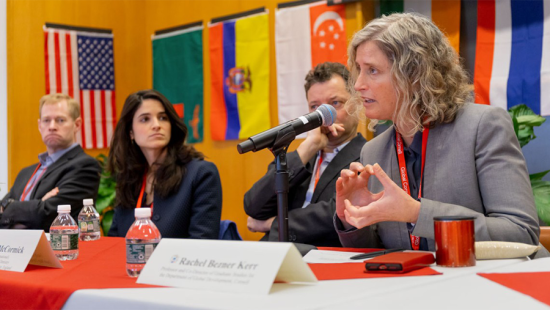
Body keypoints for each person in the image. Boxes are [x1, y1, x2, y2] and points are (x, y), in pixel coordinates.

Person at [335, 13, 548, 257]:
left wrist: (416, 213)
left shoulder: (483, 126)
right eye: (359, 70)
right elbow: (380, 254)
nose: (359, 84)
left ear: (414, 75)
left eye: (372, 70)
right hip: (422, 290)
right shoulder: (373, 151)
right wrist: (351, 218)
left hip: (498, 286)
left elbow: (520, 233)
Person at [244, 62, 367, 246]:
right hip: (276, 253)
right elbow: (254, 206)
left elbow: (337, 212)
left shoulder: (367, 155)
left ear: (356, 103)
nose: (325, 116)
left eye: (335, 103)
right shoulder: (303, 157)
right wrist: (309, 146)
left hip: (325, 256)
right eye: (315, 107)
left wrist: (273, 224)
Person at [107, 90, 222, 239]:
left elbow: (201, 245)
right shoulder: (129, 179)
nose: (156, 125)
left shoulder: (201, 174)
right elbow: (115, 241)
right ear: (131, 133)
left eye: (163, 118)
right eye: (145, 119)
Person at [0, 93, 100, 231]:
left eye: (60, 120)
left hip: (58, 250)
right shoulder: (25, 173)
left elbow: (47, 216)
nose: (52, 126)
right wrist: (39, 204)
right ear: (39, 125)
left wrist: (8, 207)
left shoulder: (85, 166)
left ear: (77, 125)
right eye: (46, 120)